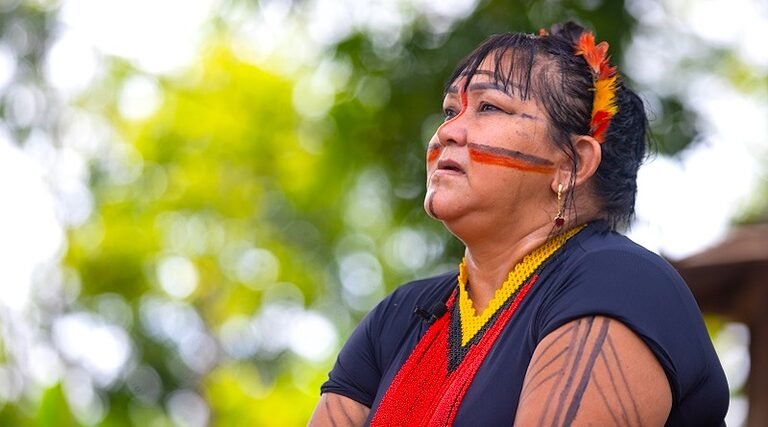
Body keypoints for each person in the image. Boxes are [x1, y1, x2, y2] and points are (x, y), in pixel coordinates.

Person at [309, 21, 729, 426]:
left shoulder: (622, 283)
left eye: (489, 106)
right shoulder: (401, 317)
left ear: (573, 163)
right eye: (451, 110)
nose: (446, 134)